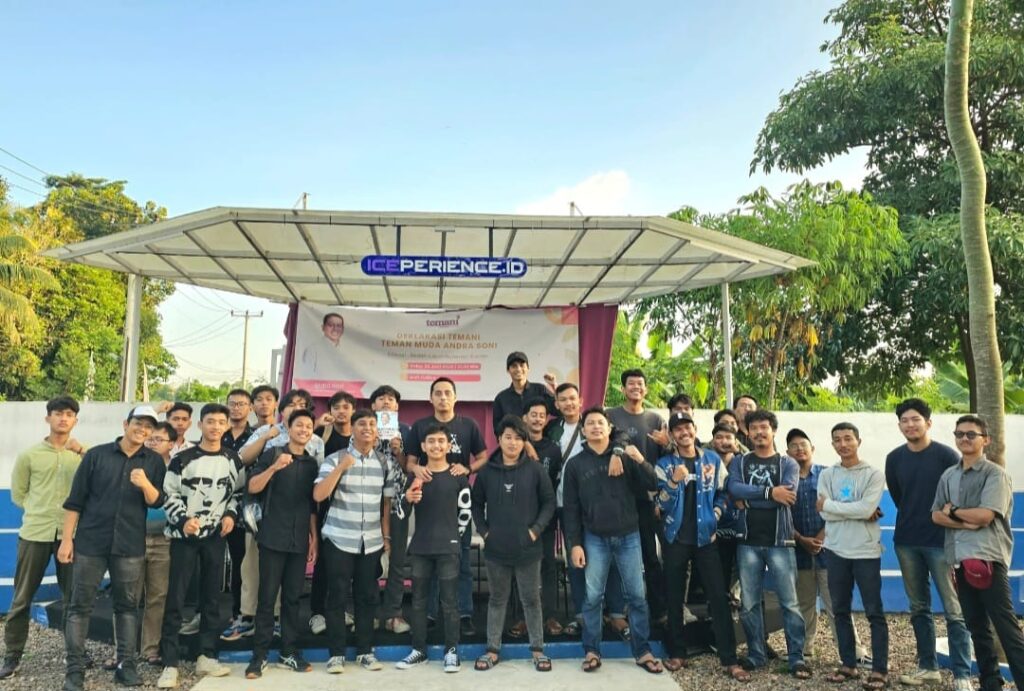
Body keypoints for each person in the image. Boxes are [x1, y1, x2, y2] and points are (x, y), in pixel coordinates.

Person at [60, 405, 166, 691]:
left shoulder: (154, 462)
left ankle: (125, 666)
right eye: (138, 423)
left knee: (127, 607)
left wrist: (145, 484)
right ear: (125, 424)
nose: (142, 430)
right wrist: (67, 540)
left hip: (129, 545)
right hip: (90, 543)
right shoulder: (96, 456)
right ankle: (74, 670)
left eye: (148, 427)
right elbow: (75, 501)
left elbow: (157, 501)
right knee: (79, 606)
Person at [563, 407, 663, 675]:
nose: (596, 427)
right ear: (583, 430)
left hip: (628, 535)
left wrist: (639, 459)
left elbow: (653, 483)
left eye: (601, 422)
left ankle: (642, 651)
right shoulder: (575, 465)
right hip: (593, 537)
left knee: (637, 596)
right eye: (590, 423)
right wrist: (574, 543)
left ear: (609, 428)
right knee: (593, 597)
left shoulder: (625, 455)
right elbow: (571, 508)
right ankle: (592, 650)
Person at [655, 412, 749, 682]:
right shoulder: (664, 464)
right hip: (675, 539)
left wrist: (715, 515)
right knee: (674, 598)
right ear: (672, 435)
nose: (684, 433)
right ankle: (678, 653)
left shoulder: (712, 460)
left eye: (688, 427)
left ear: (695, 429)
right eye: (678, 429)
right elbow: (660, 505)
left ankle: (729, 659)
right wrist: (673, 481)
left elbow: (723, 493)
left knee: (718, 597)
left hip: (706, 539)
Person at [932, 415, 1024, 691]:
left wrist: (954, 511)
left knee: (1005, 627)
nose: (964, 439)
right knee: (977, 627)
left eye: (971, 434)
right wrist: (966, 521)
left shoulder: (995, 475)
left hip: (987, 560)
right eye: (959, 434)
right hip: (958, 559)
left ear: (986, 440)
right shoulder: (948, 475)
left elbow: (985, 516)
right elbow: (936, 515)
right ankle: (990, 683)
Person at [886, 398, 971, 688]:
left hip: (941, 543)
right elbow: (899, 497)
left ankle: (962, 675)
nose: (910, 425)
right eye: (904, 421)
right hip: (906, 542)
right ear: (899, 426)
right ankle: (928, 667)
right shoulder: (894, 458)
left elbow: (957, 495)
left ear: (928, 423)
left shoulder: (947, 456)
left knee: (954, 610)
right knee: (919, 608)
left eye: (916, 419)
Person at [226, 389, 324, 641]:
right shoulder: (267, 431)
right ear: (282, 410)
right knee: (252, 567)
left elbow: (316, 480)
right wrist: (267, 438)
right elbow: (243, 459)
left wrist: (312, 531)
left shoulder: (314, 441)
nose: (296, 408)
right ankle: (248, 617)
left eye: (302, 405)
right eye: (292, 404)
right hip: (262, 511)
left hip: (295, 517)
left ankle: (278, 621)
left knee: (287, 579)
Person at [157, 404, 242, 689]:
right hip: (184, 537)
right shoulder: (182, 458)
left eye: (220, 422)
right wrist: (183, 520)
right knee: (176, 597)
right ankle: (169, 662)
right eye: (210, 421)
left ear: (226, 426)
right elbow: (168, 493)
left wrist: (230, 515)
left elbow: (237, 493)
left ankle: (207, 654)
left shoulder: (232, 459)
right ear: (200, 425)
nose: (215, 426)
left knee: (212, 598)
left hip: (215, 536)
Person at [0, 397, 86, 681]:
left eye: (69, 414)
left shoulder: (83, 455)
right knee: (21, 598)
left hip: (71, 536)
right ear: (47, 418)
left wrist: (82, 450)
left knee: (73, 599)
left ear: (75, 420)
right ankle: (12, 655)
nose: (63, 418)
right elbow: (18, 494)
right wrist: (39, 510)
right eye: (58, 413)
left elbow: (99, 477)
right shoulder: (29, 455)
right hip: (35, 533)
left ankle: (76, 653)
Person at [313, 409, 402, 674]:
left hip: (371, 541)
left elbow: (385, 505)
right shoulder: (334, 458)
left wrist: (386, 538)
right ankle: (336, 654)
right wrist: (341, 467)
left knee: (368, 597)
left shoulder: (384, 463)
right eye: (361, 423)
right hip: (339, 538)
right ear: (352, 428)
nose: (367, 428)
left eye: (372, 424)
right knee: (337, 596)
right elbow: (318, 494)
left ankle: (365, 651)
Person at [726, 408, 810, 679]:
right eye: (754, 428)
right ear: (747, 432)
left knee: (790, 602)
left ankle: (796, 658)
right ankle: (756, 654)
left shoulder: (788, 464)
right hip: (747, 542)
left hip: (780, 542)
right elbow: (734, 489)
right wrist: (770, 492)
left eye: (764, 427)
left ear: (773, 431)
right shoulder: (739, 462)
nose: (759, 432)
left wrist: (750, 500)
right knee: (749, 603)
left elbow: (788, 496)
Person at [472, 415, 556, 672]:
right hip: (496, 549)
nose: (512, 442)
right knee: (498, 599)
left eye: (518, 438)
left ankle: (538, 650)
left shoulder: (535, 469)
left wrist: (535, 531)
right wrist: (485, 532)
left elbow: (549, 502)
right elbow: (476, 504)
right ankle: (492, 649)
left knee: (531, 600)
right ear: (499, 439)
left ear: (524, 442)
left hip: (528, 548)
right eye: (508, 437)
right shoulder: (487, 471)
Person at [406, 377, 487, 635]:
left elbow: (483, 457)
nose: (443, 397)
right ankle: (429, 614)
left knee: (461, 559)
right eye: (438, 393)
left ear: (455, 397)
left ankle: (464, 614)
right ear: (430, 398)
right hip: (429, 501)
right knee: (429, 561)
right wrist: (416, 468)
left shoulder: (468, 425)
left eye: (447, 393)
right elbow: (409, 462)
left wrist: (468, 468)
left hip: (458, 499)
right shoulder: (420, 426)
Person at [244, 409, 320, 679]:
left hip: (299, 539)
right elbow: (252, 486)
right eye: (299, 425)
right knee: (267, 598)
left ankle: (289, 651)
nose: (304, 430)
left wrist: (314, 538)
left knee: (292, 598)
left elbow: (312, 505)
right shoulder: (272, 454)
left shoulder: (312, 464)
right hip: (272, 536)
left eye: (308, 426)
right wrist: (275, 467)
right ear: (288, 427)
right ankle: (259, 656)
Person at [394, 423, 471, 673]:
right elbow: (400, 513)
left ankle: (452, 651)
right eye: (431, 441)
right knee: (418, 602)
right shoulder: (416, 477)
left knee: (450, 602)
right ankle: (419, 650)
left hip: (449, 549)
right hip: (421, 548)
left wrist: (454, 539)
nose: (436, 445)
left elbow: (465, 514)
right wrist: (408, 498)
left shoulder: (459, 476)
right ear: (423, 446)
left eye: (441, 441)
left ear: (449, 446)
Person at [817, 423, 889, 689]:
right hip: (836, 549)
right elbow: (823, 513)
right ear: (832, 444)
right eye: (837, 440)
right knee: (840, 610)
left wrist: (833, 506)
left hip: (865, 551)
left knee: (874, 611)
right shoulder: (827, 474)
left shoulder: (873, 474)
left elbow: (867, 508)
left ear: (858, 441)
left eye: (848, 438)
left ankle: (880, 669)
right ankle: (848, 664)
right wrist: (854, 510)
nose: (843, 444)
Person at [787, 428, 867, 663]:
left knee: (837, 604)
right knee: (804, 605)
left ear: (812, 448)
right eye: (794, 446)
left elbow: (840, 506)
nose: (799, 449)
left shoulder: (828, 474)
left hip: (830, 551)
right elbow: (782, 515)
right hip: (799, 552)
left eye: (803, 444)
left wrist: (822, 536)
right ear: (787, 452)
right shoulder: (786, 479)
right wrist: (801, 539)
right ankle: (804, 649)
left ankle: (853, 653)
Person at [605, 369, 668, 625]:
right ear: (622, 389)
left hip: (648, 498)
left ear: (646, 389)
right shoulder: (611, 415)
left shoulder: (656, 419)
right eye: (630, 384)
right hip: (617, 497)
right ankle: (617, 609)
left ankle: (658, 611)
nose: (636, 387)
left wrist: (667, 444)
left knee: (650, 556)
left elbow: (667, 461)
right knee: (616, 557)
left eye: (640, 384)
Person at [544, 382, 591, 636]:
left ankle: (591, 613)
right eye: (563, 399)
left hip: (587, 504)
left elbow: (616, 437)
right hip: (557, 502)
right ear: (557, 404)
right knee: (567, 560)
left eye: (573, 398)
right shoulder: (552, 429)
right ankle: (575, 614)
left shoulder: (593, 423)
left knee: (589, 558)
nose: (569, 403)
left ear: (580, 400)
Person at [372, 385, 414, 636]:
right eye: (381, 399)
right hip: (368, 502)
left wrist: (399, 450)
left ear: (397, 406)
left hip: (398, 502)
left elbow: (409, 467)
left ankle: (393, 614)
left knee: (397, 560)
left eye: (391, 399)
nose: (386, 402)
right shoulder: (364, 427)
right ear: (373, 405)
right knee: (367, 562)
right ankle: (368, 613)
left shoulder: (406, 430)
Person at [138, 422, 178, 666]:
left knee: (157, 596)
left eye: (158, 439)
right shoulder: (133, 464)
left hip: (164, 539)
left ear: (171, 444)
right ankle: (121, 651)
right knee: (127, 597)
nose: (152, 443)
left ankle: (150, 648)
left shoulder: (176, 469)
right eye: (149, 439)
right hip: (133, 538)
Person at [222, 389, 254, 636]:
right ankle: (204, 614)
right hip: (213, 506)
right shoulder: (217, 433)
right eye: (232, 403)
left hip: (242, 510)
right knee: (211, 564)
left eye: (242, 404)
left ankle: (239, 613)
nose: (236, 408)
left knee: (241, 563)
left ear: (250, 408)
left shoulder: (256, 437)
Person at [491, 351, 556, 435]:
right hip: (514, 442)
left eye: (522, 365)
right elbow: (498, 429)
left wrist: (554, 389)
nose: (518, 369)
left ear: (528, 368)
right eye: (514, 366)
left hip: (539, 441)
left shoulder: (540, 390)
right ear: (508, 370)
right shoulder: (501, 398)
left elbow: (557, 411)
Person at [301, 311, 346, 376]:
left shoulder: (347, 351)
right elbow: (307, 375)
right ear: (323, 327)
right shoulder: (312, 350)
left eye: (338, 326)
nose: (335, 329)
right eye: (330, 325)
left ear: (342, 329)